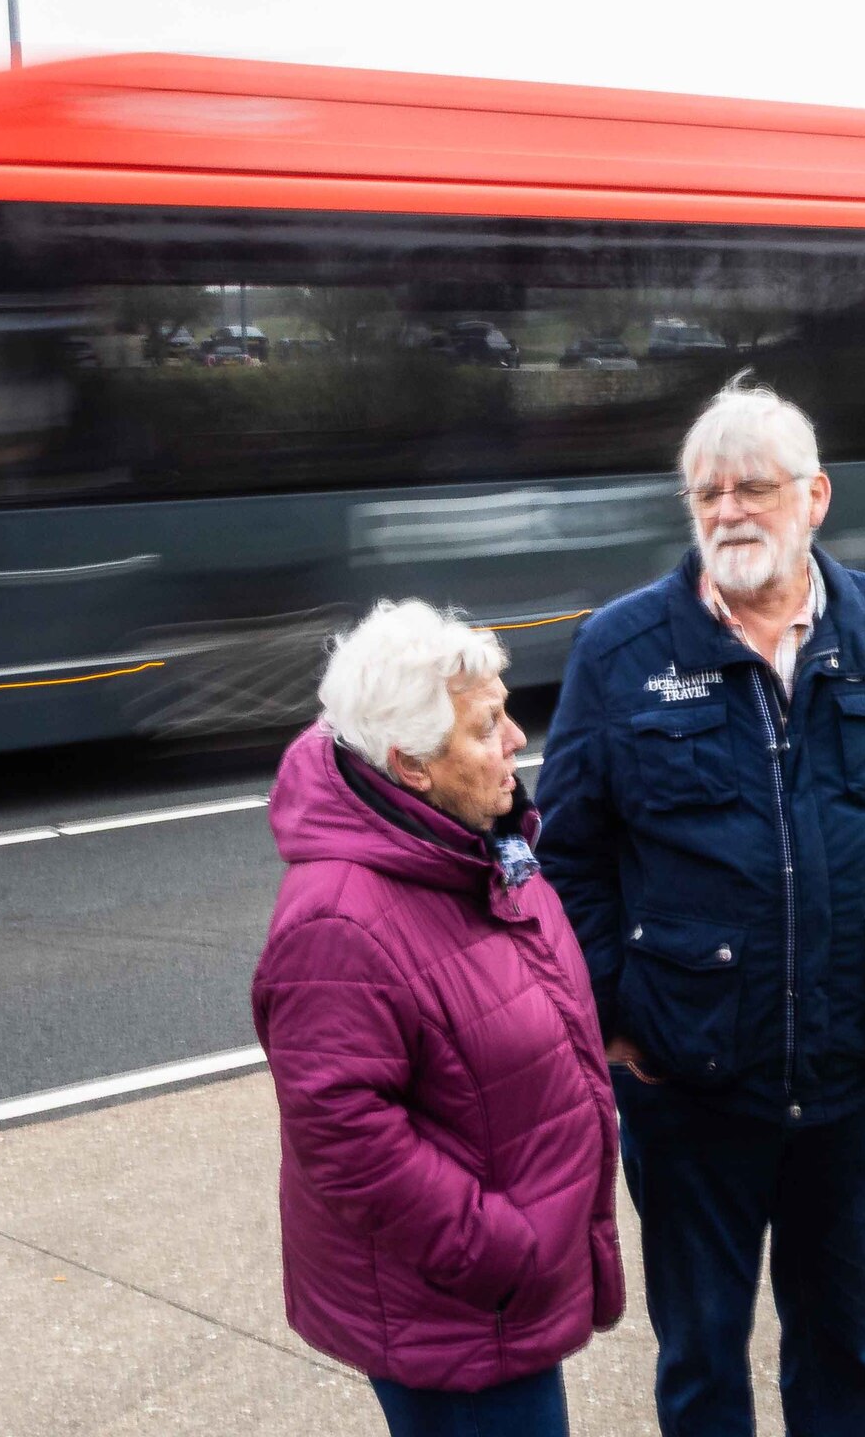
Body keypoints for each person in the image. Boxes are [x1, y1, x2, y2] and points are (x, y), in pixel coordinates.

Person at [535, 378, 865, 1437]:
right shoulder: (622, 653)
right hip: (688, 1081)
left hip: (862, 1074)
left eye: (753, 487)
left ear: (815, 497)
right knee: (703, 1355)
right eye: (706, 492)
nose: (727, 512)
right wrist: (617, 1019)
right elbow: (566, 854)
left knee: (844, 1343)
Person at [255, 599, 626, 1437]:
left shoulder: (480, 846)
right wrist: (502, 1251)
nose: (517, 741)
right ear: (412, 764)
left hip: (497, 1295)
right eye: (487, 726)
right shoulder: (339, 923)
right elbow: (345, 1134)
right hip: (457, 1315)